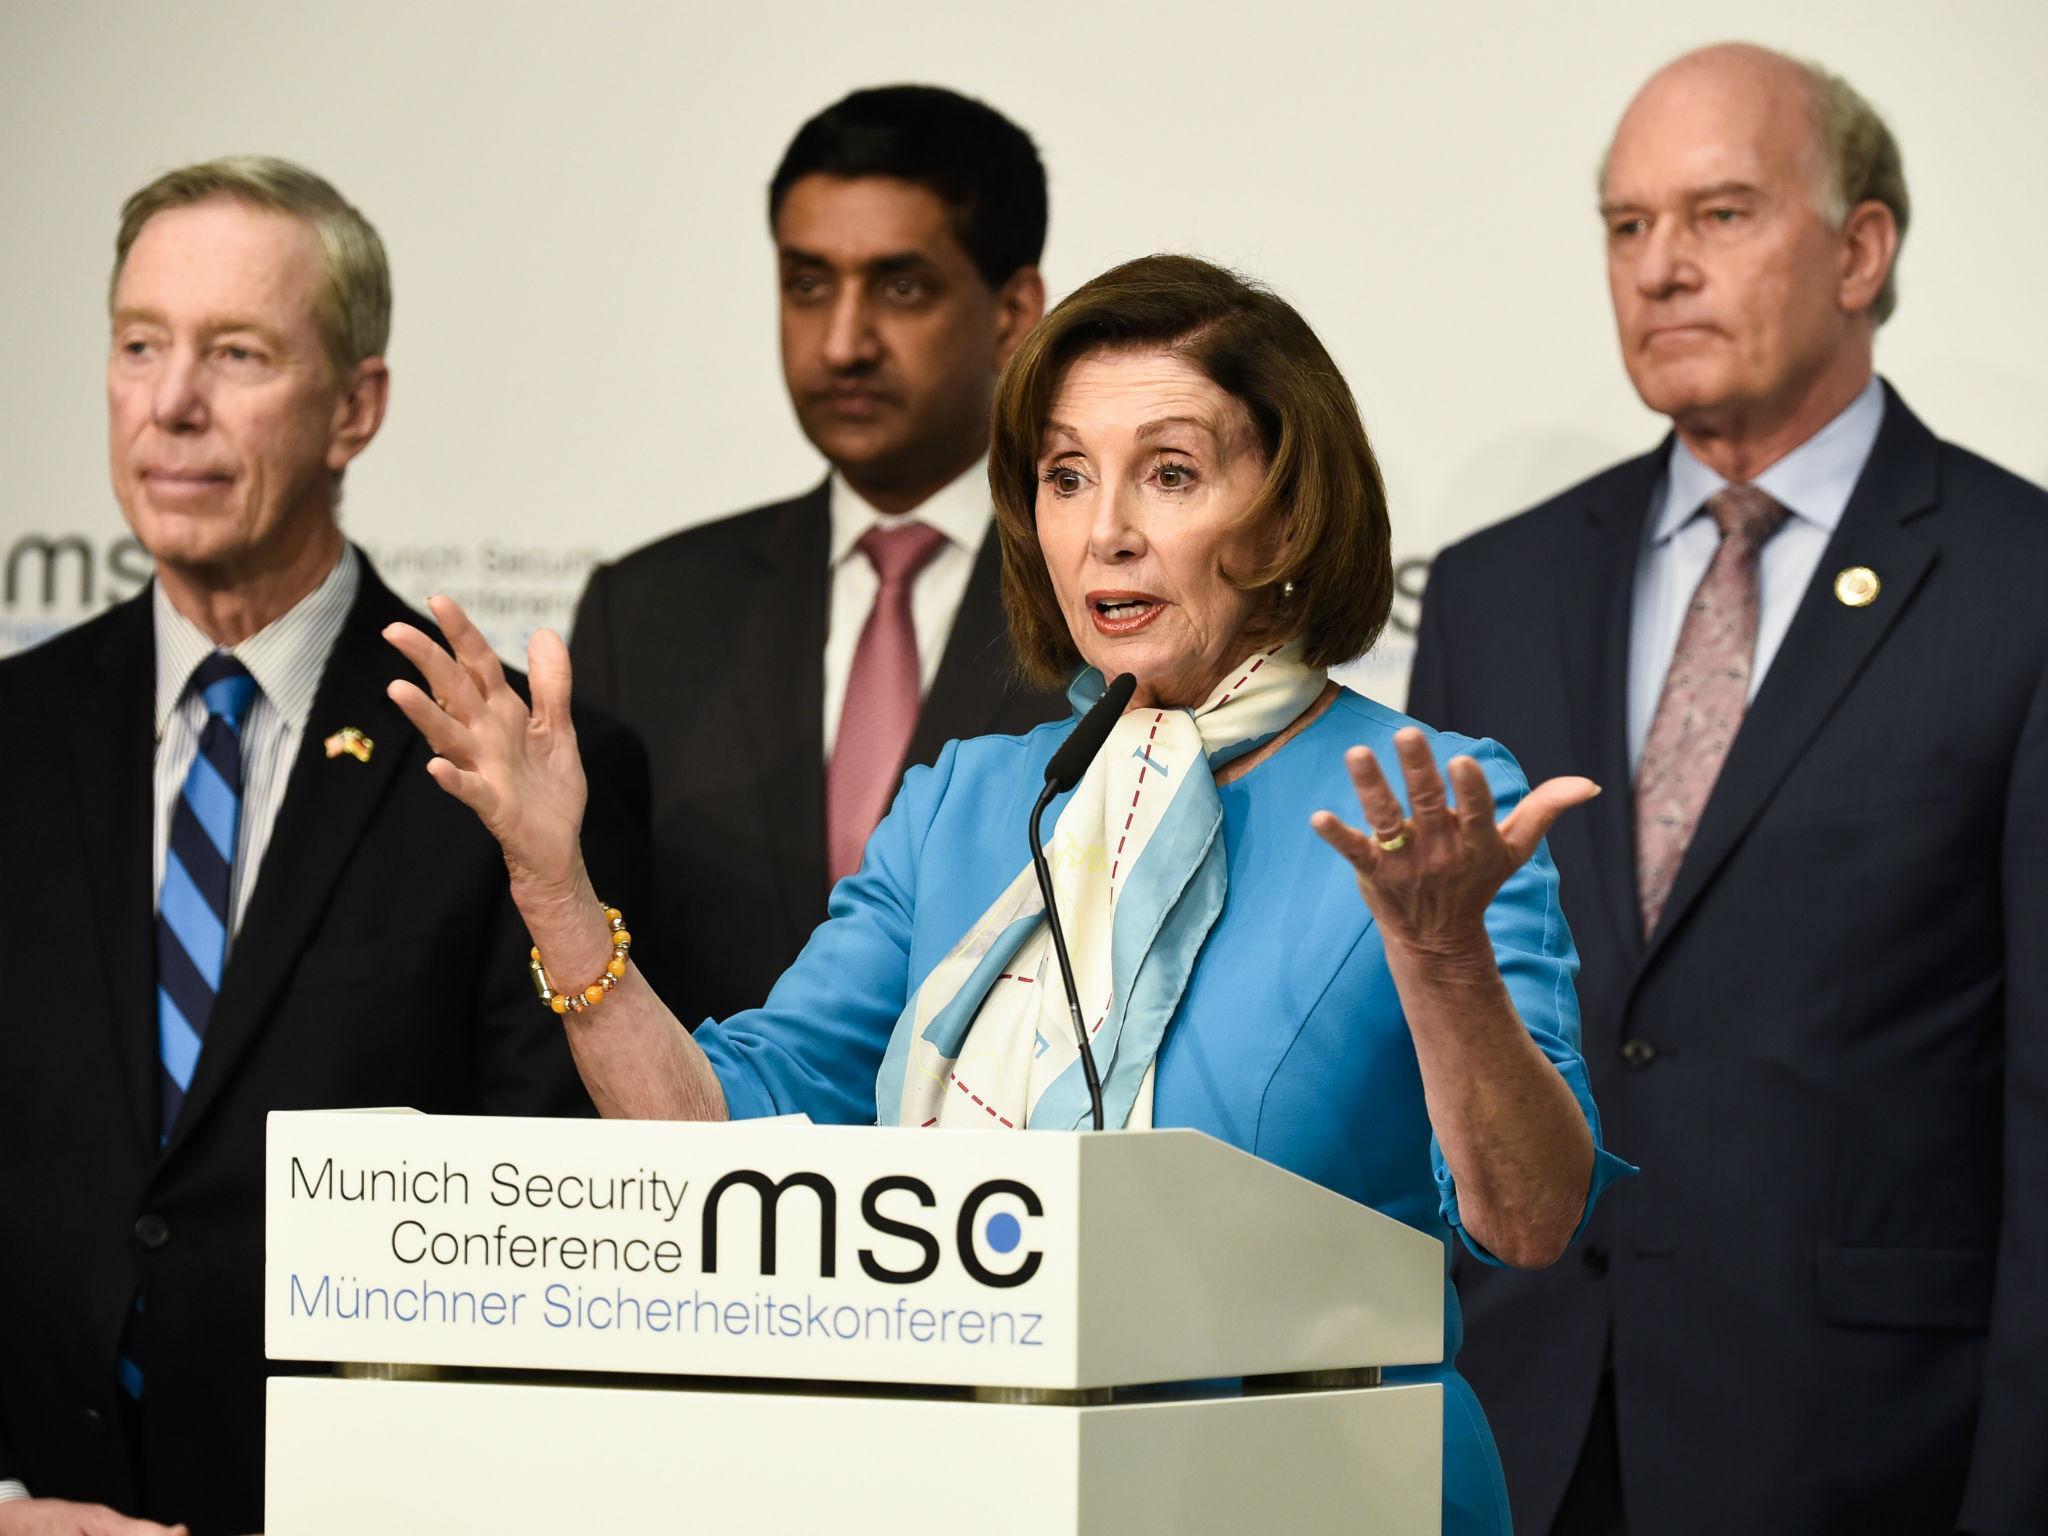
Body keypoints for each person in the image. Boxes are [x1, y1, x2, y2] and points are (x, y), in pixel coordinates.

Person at [386, 253, 1631, 1535]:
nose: (1106, 533)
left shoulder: (1419, 811)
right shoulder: (965, 806)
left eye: (1170, 473)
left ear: (1287, 513)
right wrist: (554, 885)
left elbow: (1528, 1220)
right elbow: (714, 1140)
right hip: (948, 1495)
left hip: (1312, 1496)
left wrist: (1442, 964)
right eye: (1065, 476)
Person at [1408, 43, 2048, 1536]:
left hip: (1866, 1450)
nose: (1661, 268)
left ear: (1861, 250)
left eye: (1721, 215)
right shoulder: (1499, 587)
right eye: (1627, 227)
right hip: (1522, 1429)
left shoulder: (2022, 589)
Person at [0, 157, 644, 1536]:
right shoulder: (14, 733)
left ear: (355, 407)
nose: (172, 402)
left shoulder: (501, 760)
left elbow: (559, 1227)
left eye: (236, 354)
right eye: (139, 346)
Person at [568, 84, 1069, 1022]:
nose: (843, 342)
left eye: (901, 287)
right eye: (807, 285)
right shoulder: (644, 614)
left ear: (1013, 313)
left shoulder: (1109, 601)